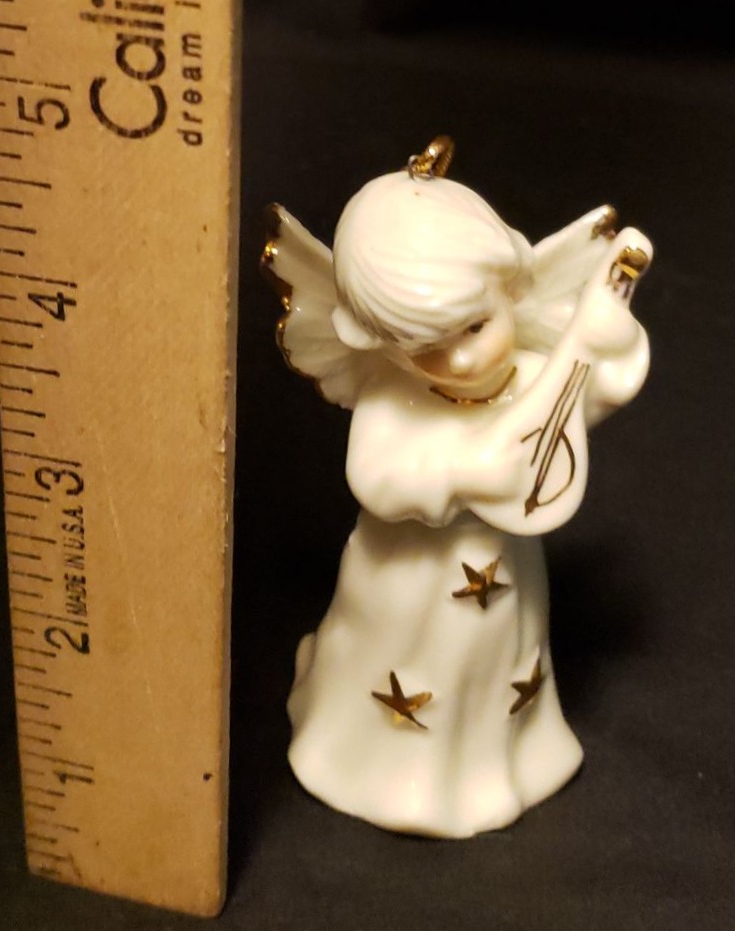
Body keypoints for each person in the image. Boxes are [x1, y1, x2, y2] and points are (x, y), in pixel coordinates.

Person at [261, 138, 651, 837]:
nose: (463, 358)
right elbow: (376, 479)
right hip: (402, 581)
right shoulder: (390, 396)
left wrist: (604, 341)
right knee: (393, 667)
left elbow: (576, 414)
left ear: (510, 291)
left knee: (491, 673)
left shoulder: (532, 375)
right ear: (379, 343)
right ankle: (373, 760)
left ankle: (492, 764)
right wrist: (466, 473)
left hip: (501, 579)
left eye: (476, 326)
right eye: (425, 349)